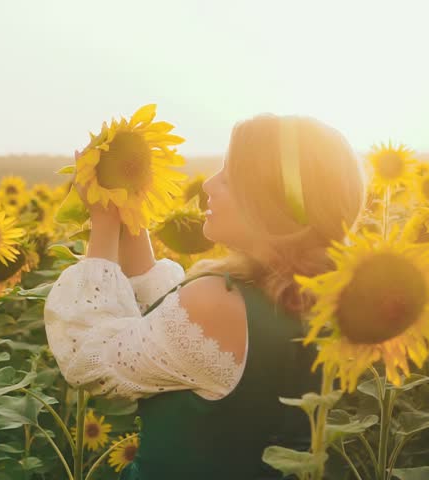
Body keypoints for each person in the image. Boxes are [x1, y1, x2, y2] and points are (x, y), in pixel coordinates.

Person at [43, 113, 366, 479]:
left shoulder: (218, 301)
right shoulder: (317, 300)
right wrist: (130, 211)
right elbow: (167, 335)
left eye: (229, 177)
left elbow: (90, 358)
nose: (209, 184)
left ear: (268, 202)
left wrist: (102, 221)